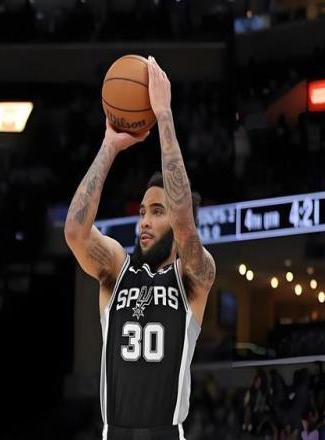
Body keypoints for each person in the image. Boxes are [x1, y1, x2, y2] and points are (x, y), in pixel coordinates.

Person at [64, 56, 216, 440]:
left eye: (157, 212)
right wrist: (109, 146)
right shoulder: (118, 269)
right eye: (142, 212)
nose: (144, 221)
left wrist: (163, 116)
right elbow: (75, 232)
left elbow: (185, 222)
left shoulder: (193, 277)